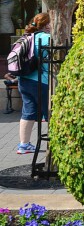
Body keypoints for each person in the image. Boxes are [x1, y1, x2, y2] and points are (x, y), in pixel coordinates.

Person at [16, 12, 51, 155]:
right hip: (41, 81)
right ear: (48, 24)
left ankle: (23, 145)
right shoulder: (48, 38)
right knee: (50, 112)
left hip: (24, 80)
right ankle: (55, 143)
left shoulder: (28, 37)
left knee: (28, 112)